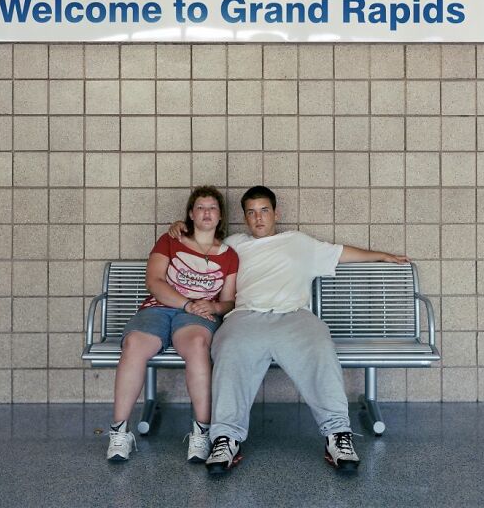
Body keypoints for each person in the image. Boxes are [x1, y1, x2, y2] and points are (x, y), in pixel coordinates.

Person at [170, 185, 409, 474]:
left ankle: (338, 436)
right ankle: (226, 438)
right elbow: (200, 245)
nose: (258, 218)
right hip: (246, 317)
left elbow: (340, 253)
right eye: (251, 213)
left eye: (264, 211)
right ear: (244, 217)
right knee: (229, 349)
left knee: (321, 346)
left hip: (294, 317)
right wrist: (181, 229)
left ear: (276, 213)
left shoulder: (297, 242)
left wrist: (382, 255)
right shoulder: (232, 244)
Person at [107, 186, 238, 463]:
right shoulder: (170, 240)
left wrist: (213, 307)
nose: (206, 212)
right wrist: (187, 303)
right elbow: (154, 282)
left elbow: (228, 301)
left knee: (198, 346)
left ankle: (201, 433)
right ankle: (119, 433)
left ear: (220, 216)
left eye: (212, 208)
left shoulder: (229, 256)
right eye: (200, 207)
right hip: (160, 308)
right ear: (190, 214)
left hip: (197, 317)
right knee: (134, 344)